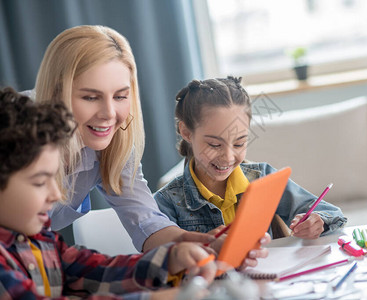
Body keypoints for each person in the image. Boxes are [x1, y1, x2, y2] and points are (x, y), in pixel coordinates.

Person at [32, 25, 267, 267]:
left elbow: (145, 220)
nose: (109, 113)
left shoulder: (113, 143)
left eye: (120, 96)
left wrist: (195, 244)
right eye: (91, 97)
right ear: (56, 92)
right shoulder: (16, 132)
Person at [0, 87, 216, 299]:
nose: (57, 194)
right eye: (40, 182)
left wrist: (169, 260)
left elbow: (94, 271)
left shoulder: (40, 240)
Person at [154, 77, 347, 239]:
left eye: (239, 144)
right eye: (214, 145)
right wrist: (201, 246)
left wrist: (317, 221)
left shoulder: (263, 177)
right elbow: (159, 265)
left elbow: (333, 214)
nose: (228, 157)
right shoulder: (167, 202)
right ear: (186, 132)